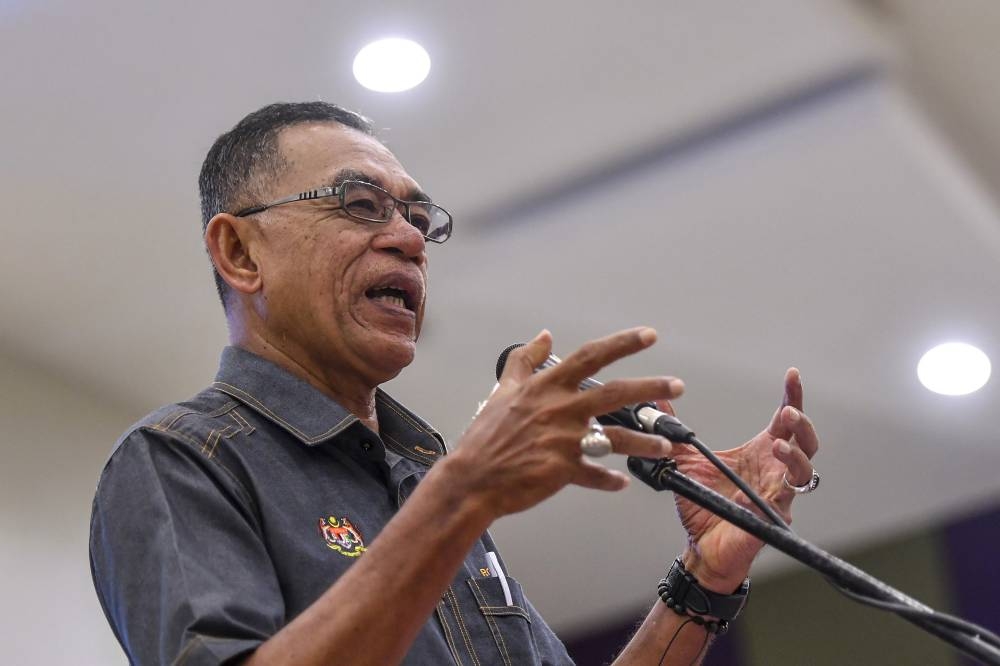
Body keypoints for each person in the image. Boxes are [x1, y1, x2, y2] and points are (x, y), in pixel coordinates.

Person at [89, 101, 821, 665]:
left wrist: (705, 577)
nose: (409, 238)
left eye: (415, 216)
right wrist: (463, 493)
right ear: (241, 251)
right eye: (359, 204)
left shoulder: (423, 476)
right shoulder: (179, 460)